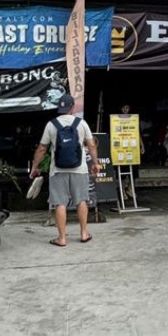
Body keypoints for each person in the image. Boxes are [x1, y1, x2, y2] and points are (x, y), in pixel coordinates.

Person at [30, 93, 100, 247]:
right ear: (72, 108)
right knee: (81, 200)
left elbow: (42, 148)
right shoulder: (81, 123)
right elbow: (91, 145)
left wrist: (35, 166)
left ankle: (62, 238)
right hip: (79, 169)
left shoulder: (51, 124)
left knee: (60, 203)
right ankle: (83, 233)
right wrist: (95, 163)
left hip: (58, 170)